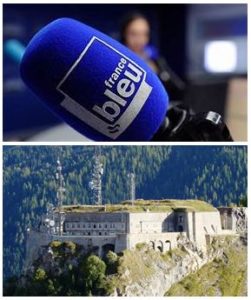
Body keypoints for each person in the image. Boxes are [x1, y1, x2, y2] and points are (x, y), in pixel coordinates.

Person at [120, 12, 185, 101]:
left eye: (144, 34)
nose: (140, 40)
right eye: (134, 34)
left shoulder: (156, 60)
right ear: (124, 34)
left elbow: (178, 88)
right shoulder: (119, 61)